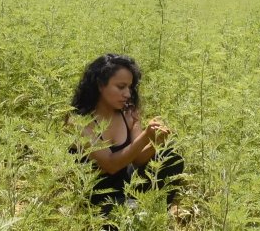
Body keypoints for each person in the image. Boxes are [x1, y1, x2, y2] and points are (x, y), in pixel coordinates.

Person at [67, 53, 184, 222]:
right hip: (96, 197)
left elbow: (137, 159)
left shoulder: (128, 114)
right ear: (100, 85)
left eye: (130, 87)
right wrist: (146, 136)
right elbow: (110, 164)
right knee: (124, 216)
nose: (128, 94)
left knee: (171, 158)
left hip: (126, 186)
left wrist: (156, 141)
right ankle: (140, 213)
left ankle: (153, 214)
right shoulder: (78, 122)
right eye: (121, 87)